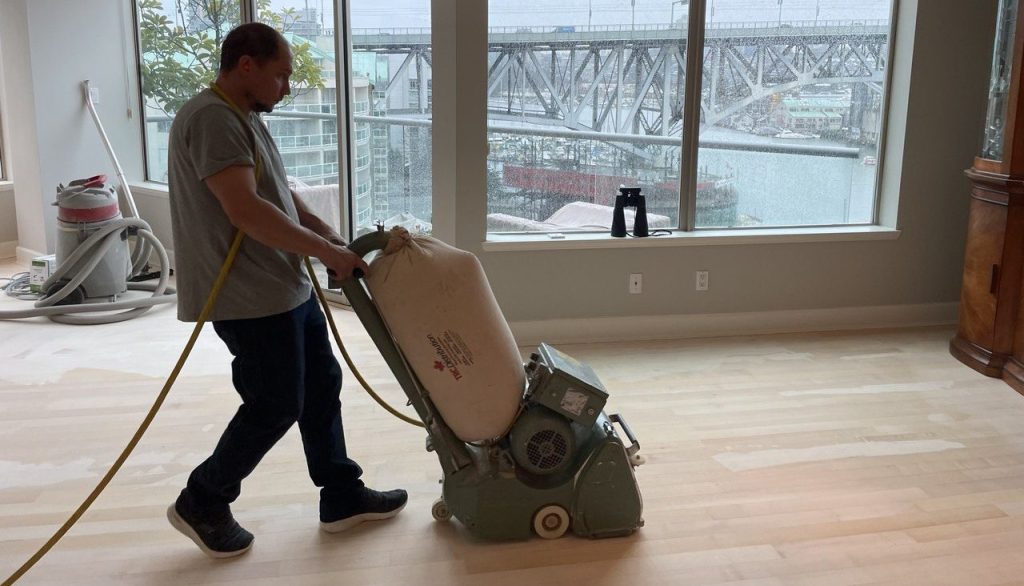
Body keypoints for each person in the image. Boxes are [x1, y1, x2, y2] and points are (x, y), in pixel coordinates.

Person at [165, 22, 406, 559]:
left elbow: (276, 196)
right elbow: (245, 210)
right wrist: (325, 254)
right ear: (246, 65)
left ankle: (340, 494)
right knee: (274, 404)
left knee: (321, 385)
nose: (288, 87)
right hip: (249, 296)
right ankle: (202, 499)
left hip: (282, 285)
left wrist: (327, 236)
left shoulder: (244, 116)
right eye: (281, 75)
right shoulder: (212, 119)